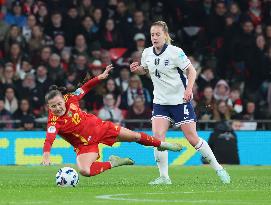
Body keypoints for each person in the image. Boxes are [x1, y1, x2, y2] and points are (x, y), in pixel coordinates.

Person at [130, 21, 231, 185]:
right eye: (152, 35)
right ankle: (164, 177)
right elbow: (146, 69)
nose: (154, 37)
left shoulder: (175, 52)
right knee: (158, 138)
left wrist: (189, 89)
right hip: (160, 102)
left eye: (158, 34)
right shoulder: (147, 53)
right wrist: (138, 70)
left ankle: (219, 169)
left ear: (165, 35)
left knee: (193, 139)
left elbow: (191, 71)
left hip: (179, 101)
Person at [41, 64, 182, 178]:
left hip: (100, 128)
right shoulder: (53, 121)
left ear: (63, 99)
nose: (58, 108)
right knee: (85, 171)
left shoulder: (70, 98)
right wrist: (46, 156)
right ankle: (113, 162)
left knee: (135, 136)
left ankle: (162, 144)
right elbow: (49, 140)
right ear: (48, 107)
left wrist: (100, 77)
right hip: (84, 145)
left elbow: (84, 88)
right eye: (53, 106)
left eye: (59, 103)